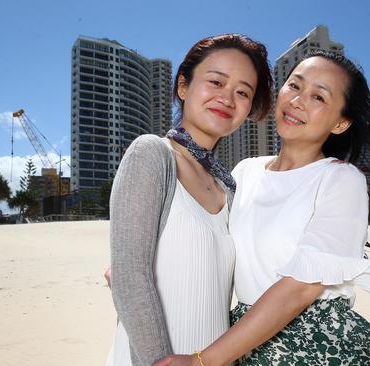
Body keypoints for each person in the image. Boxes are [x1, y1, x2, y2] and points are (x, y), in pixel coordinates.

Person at [154, 50, 370, 366]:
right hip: (242, 338)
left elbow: (299, 290)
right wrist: (149, 261)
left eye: (318, 97)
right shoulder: (244, 172)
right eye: (294, 86)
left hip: (315, 343)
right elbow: (207, 242)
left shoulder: (340, 179)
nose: (297, 101)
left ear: (340, 122)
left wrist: (204, 360)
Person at [105, 34, 272, 366]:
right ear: (183, 86)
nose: (227, 98)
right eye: (215, 82)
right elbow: (131, 274)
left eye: (242, 92)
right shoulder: (153, 154)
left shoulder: (230, 189)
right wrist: (159, 360)